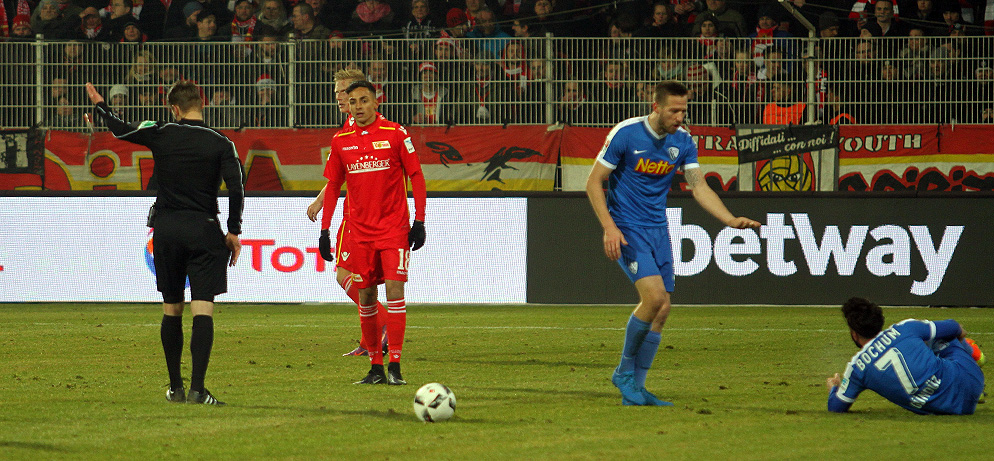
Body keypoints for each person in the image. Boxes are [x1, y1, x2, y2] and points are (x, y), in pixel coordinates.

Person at [585, 80, 760, 406]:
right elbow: (594, 181)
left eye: (683, 110)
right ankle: (623, 372)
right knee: (653, 298)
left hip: (658, 229)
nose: (680, 117)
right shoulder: (626, 133)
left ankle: (636, 391)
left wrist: (730, 219)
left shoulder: (683, 141)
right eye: (674, 111)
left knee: (662, 309)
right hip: (627, 228)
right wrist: (609, 228)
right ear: (656, 107)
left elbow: (699, 186)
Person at [85, 80, 244, 405]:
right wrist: (233, 231)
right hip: (203, 228)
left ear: (174, 109)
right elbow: (237, 187)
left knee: (172, 307)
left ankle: (175, 388)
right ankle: (198, 390)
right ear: (202, 104)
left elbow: (120, 130)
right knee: (203, 307)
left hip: (167, 229)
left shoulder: (161, 131)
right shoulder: (221, 143)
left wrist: (101, 105)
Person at [319, 80, 427, 385]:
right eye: (353, 101)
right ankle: (376, 367)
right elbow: (333, 187)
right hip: (359, 233)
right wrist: (325, 229)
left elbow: (416, 175)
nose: (358, 106)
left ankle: (396, 366)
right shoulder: (341, 141)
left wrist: (420, 221)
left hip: (393, 229)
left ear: (376, 102)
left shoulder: (396, 133)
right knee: (366, 295)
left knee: (395, 290)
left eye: (364, 100)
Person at [306, 68, 389, 358]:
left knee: (345, 274)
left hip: (361, 215)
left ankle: (384, 322)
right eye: (337, 92)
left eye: (344, 92)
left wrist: (320, 203)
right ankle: (371, 340)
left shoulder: (358, 130)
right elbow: (338, 174)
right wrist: (321, 200)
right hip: (364, 213)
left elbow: (339, 177)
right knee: (360, 278)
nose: (339, 97)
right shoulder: (353, 127)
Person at [826, 297, 986, 415]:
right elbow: (954, 327)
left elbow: (836, 407)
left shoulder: (856, 368)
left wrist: (834, 388)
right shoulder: (905, 328)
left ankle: (972, 357)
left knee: (927, 339)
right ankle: (974, 354)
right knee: (938, 335)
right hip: (971, 382)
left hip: (948, 409)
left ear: (854, 334)